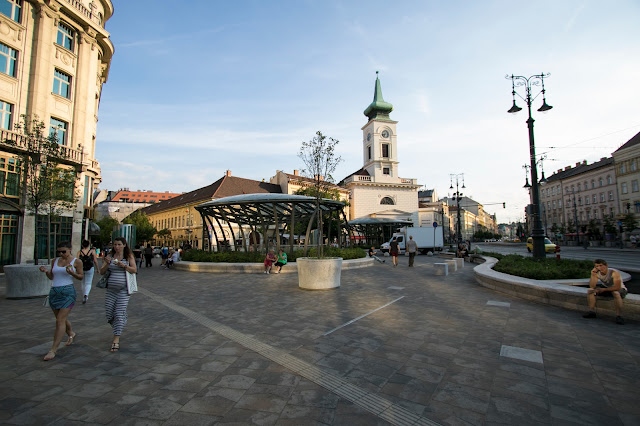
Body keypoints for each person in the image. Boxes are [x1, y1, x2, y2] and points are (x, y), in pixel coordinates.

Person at [39, 241, 84, 361]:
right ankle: (71, 333)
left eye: (63, 251)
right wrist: (46, 272)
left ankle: (53, 349)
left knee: (60, 320)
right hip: (54, 291)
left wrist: (72, 273)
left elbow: (81, 276)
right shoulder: (55, 261)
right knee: (60, 318)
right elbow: (52, 277)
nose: (61, 254)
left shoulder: (76, 261)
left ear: (70, 249)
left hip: (68, 292)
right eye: (59, 252)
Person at [99, 237, 137, 352]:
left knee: (118, 314)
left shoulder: (128, 256)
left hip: (124, 290)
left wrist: (124, 266)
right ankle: (120, 323)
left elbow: (134, 269)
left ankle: (116, 339)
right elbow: (101, 272)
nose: (117, 247)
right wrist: (107, 263)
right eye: (115, 244)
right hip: (111, 290)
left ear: (124, 245)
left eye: (119, 244)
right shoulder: (110, 256)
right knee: (110, 314)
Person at [583, 258, 628, 325]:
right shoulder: (597, 273)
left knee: (615, 293)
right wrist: (593, 274)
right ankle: (591, 312)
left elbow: (617, 287)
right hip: (607, 288)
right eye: (597, 266)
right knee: (590, 291)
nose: (599, 268)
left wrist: (603, 289)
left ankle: (619, 316)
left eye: (601, 265)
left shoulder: (614, 273)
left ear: (606, 265)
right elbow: (592, 286)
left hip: (620, 289)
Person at [77, 239, 99, 304]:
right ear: (89, 245)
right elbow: (95, 260)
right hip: (90, 268)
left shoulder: (79, 251)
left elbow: (77, 261)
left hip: (82, 268)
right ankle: (86, 295)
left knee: (83, 282)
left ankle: (84, 294)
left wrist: (76, 269)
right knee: (88, 283)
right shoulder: (92, 251)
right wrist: (97, 269)